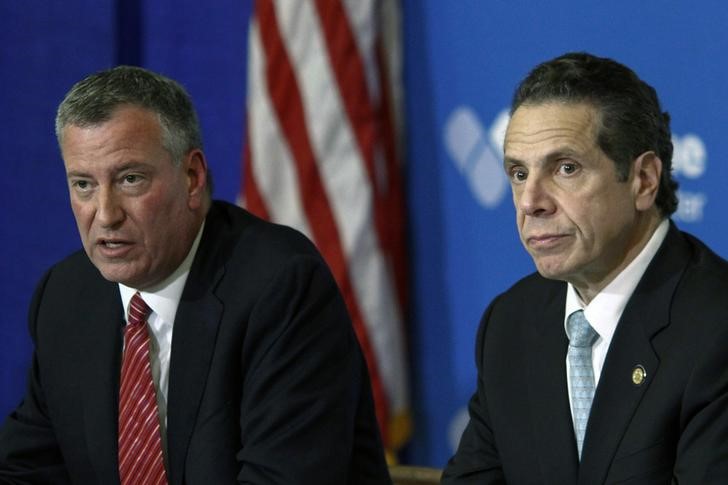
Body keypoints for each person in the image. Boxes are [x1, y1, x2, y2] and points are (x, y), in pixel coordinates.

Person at [0, 66, 391, 484]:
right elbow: (24, 470)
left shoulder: (280, 288)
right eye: (83, 185)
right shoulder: (67, 296)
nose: (106, 214)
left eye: (130, 179)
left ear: (192, 177)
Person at [442, 52, 728, 484]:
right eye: (518, 173)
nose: (529, 201)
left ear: (644, 181)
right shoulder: (510, 323)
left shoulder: (716, 328)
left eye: (565, 168)